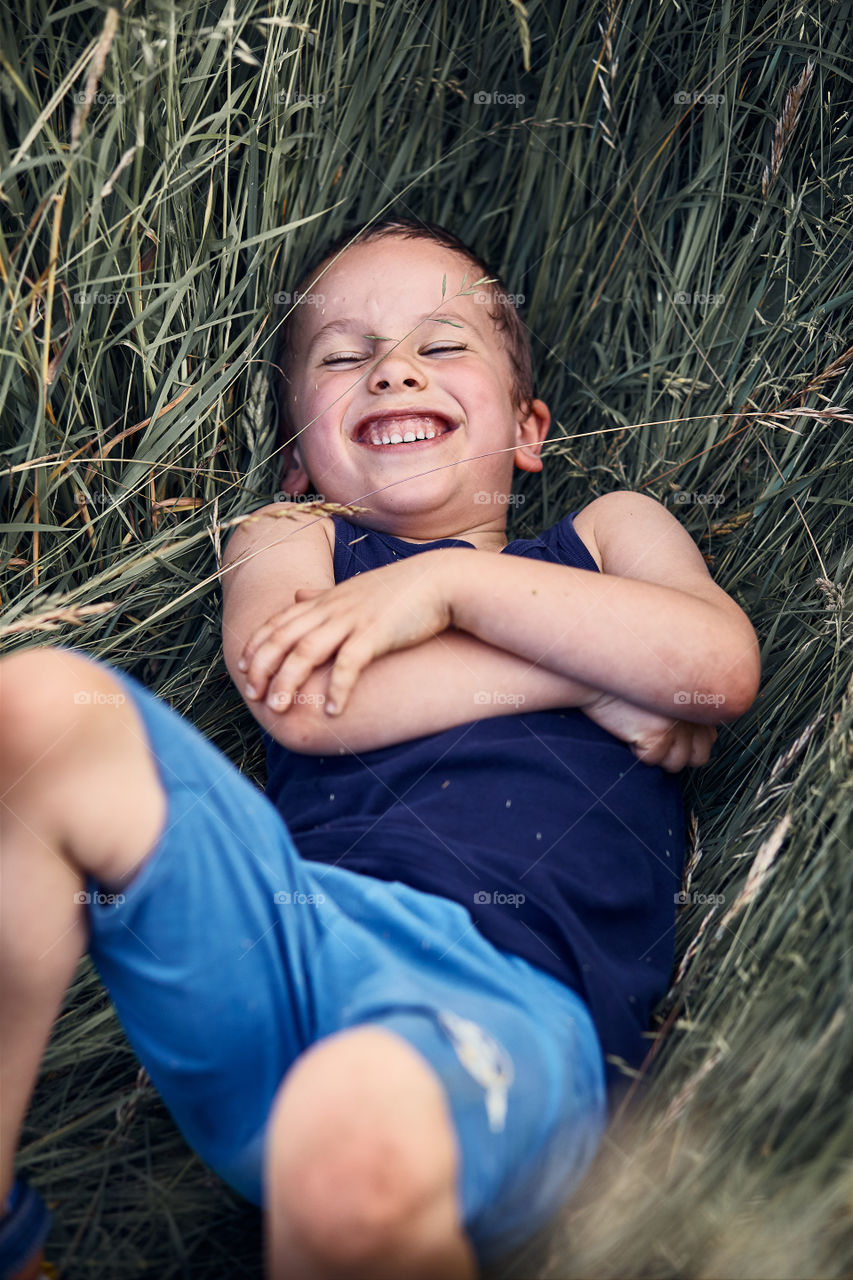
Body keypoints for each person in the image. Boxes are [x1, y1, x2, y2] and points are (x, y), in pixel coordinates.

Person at [0, 217, 760, 1280]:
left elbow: (714, 667)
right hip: (286, 943)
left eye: (441, 344)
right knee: (34, 705)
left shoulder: (603, 534)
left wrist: (444, 582)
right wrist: (598, 670)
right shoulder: (290, 537)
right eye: (344, 356)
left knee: (351, 1128)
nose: (394, 367)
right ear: (299, 457)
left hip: (508, 1000)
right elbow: (305, 697)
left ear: (527, 428)